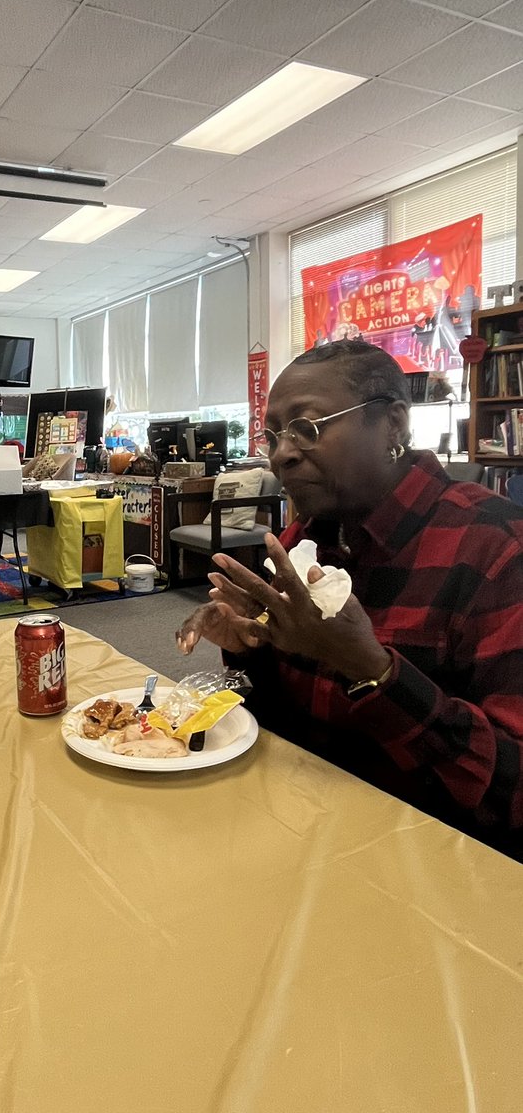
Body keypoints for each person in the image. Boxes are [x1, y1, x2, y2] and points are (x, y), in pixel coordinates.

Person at [177, 341, 523, 856]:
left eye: (308, 427)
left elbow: (511, 791)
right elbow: (287, 725)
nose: (282, 453)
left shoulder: (495, 547)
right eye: (272, 435)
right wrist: (250, 647)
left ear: (394, 425)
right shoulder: (303, 541)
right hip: (300, 830)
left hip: (430, 864)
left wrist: (372, 669)